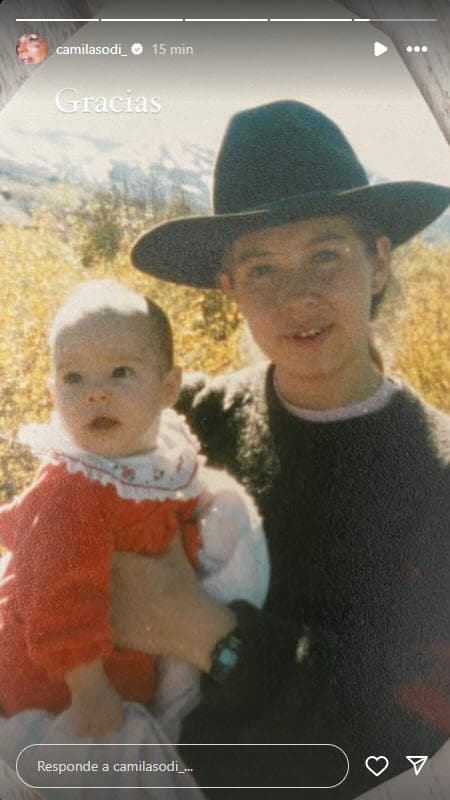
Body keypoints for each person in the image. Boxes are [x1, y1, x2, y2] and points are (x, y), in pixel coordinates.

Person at [119, 100, 450, 799]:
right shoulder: (184, 425)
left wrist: (214, 638)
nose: (296, 295)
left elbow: (409, 742)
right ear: (230, 289)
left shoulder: (439, 475)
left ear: (380, 262)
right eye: (262, 269)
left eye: (325, 255)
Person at [0, 280, 268, 746]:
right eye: (73, 378)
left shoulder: (150, 462)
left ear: (168, 388)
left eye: (119, 372)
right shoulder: (75, 485)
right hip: (57, 690)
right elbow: (54, 591)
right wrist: (87, 686)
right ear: (52, 393)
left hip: (117, 679)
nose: (95, 394)